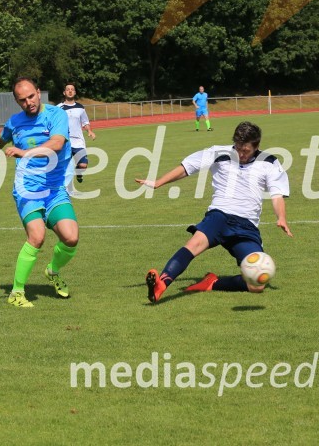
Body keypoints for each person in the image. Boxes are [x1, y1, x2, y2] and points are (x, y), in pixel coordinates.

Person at [135, 121, 293, 303]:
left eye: (246, 151)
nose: (241, 154)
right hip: (220, 216)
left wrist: (281, 217)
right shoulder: (219, 153)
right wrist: (158, 182)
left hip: (246, 226)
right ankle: (161, 285)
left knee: (257, 285)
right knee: (194, 244)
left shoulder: (270, 162)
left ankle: (212, 282)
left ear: (257, 146)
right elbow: (187, 167)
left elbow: (277, 195)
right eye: (239, 148)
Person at [0, 77, 79, 308]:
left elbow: (56, 144)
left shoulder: (57, 115)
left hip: (54, 190)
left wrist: (26, 152)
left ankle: (53, 271)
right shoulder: (15, 122)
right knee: (36, 236)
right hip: (27, 190)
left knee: (71, 238)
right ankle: (16, 293)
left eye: (31, 96)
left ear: (38, 92)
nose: (28, 103)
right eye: (22, 100)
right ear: (17, 102)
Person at [57, 83, 96, 188]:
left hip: (78, 141)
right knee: (64, 168)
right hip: (65, 142)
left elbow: (85, 122)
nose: (70, 91)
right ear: (64, 92)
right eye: (68, 89)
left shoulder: (80, 107)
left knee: (83, 165)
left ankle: (78, 173)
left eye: (72, 89)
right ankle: (62, 188)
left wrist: (89, 131)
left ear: (74, 92)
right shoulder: (58, 108)